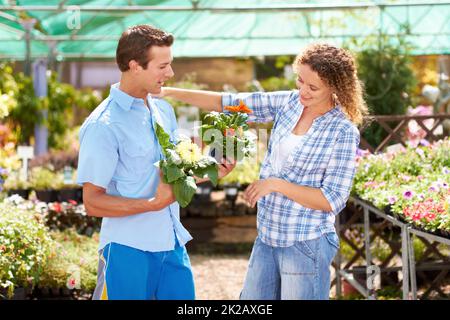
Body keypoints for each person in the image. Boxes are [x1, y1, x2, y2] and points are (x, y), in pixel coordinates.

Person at [157, 43, 368, 300]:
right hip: (267, 236)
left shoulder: (343, 131)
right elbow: (231, 103)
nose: (303, 91)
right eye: (300, 81)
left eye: (313, 87)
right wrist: (168, 92)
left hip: (306, 243)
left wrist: (275, 184)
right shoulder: (290, 103)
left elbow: (331, 199)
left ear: (336, 87)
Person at [76, 24, 234, 300]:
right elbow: (92, 201)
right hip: (127, 250)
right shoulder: (103, 126)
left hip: (171, 244)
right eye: (162, 66)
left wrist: (210, 169)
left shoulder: (162, 110)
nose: (170, 74)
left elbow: (171, 177)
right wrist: (151, 205)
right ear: (134, 65)